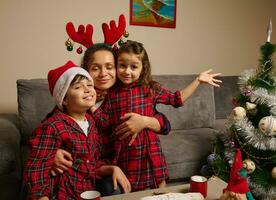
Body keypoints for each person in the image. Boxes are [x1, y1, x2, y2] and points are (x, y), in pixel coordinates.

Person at [92, 40, 222, 191]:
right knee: (130, 189)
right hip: (125, 152)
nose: (127, 71)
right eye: (122, 65)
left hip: (149, 149)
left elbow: (176, 99)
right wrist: (93, 106)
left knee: (159, 189)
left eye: (133, 67)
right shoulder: (112, 93)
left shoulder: (150, 88)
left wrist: (197, 81)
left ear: (143, 68)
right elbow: (105, 122)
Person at [50, 44, 171, 195]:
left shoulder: (125, 94)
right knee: (112, 188)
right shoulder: (77, 98)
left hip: (121, 163)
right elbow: (50, 127)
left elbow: (165, 124)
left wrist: (145, 121)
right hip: (88, 168)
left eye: (109, 67)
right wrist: (52, 152)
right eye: (95, 68)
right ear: (86, 70)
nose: (103, 73)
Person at [23, 61, 131, 200]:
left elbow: (91, 163)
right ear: (64, 99)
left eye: (89, 85)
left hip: (87, 190)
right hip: (62, 193)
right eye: (78, 87)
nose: (87, 90)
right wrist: (42, 197)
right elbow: (36, 168)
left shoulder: (90, 122)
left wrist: (112, 168)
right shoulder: (53, 125)